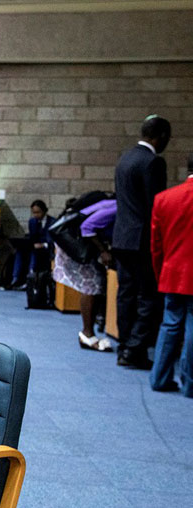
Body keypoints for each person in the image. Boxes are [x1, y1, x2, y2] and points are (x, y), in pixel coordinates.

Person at [113, 115, 170, 369]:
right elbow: (154, 207)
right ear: (162, 136)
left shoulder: (124, 158)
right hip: (142, 240)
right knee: (149, 296)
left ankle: (125, 345)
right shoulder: (153, 162)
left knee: (125, 294)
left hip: (122, 237)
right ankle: (135, 349)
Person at [149, 153, 193, 396]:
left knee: (170, 325)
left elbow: (156, 245)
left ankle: (159, 378)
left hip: (172, 273)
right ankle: (190, 384)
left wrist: (160, 273)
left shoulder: (164, 198)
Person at [54, 196, 114, 353]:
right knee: (91, 286)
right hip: (73, 244)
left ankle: (88, 332)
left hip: (77, 241)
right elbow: (87, 227)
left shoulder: (115, 203)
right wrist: (104, 251)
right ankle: (87, 334)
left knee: (96, 285)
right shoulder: (116, 207)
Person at [9, 200, 55, 289]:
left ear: (45, 211)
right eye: (34, 213)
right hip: (34, 245)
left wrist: (43, 245)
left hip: (47, 247)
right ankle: (15, 278)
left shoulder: (52, 222)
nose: (36, 215)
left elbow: (52, 240)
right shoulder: (32, 221)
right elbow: (32, 237)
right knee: (20, 251)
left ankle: (31, 277)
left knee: (34, 252)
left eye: (38, 212)